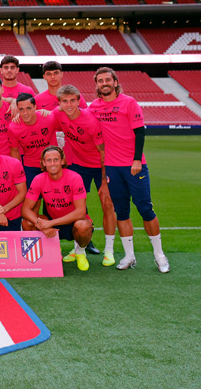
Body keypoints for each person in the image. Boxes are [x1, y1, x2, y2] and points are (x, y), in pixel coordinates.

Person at [89, 67, 169, 273]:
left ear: (115, 82)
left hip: (134, 166)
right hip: (113, 169)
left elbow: (140, 133)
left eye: (108, 80)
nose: (104, 83)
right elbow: (75, 112)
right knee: (121, 212)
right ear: (96, 85)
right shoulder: (94, 107)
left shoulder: (129, 102)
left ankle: (159, 256)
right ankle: (129, 256)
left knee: (145, 209)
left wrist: (136, 160)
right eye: (100, 81)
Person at [52, 85, 117, 266]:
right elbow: (43, 117)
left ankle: (109, 251)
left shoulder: (90, 121)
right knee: (77, 206)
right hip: (80, 164)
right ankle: (78, 249)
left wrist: (104, 181)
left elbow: (102, 152)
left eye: (73, 100)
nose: (69, 105)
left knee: (107, 203)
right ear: (59, 103)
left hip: (101, 165)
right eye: (65, 101)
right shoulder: (58, 114)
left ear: (79, 100)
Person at [22, 146, 94, 272]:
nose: (52, 163)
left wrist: (50, 223)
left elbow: (81, 212)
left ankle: (80, 252)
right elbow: (25, 209)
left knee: (84, 225)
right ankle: (53, 250)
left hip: (73, 224)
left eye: (56, 160)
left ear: (62, 161)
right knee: (27, 223)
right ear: (43, 163)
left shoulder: (74, 178)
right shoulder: (39, 179)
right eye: (48, 160)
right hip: (52, 224)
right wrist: (41, 224)